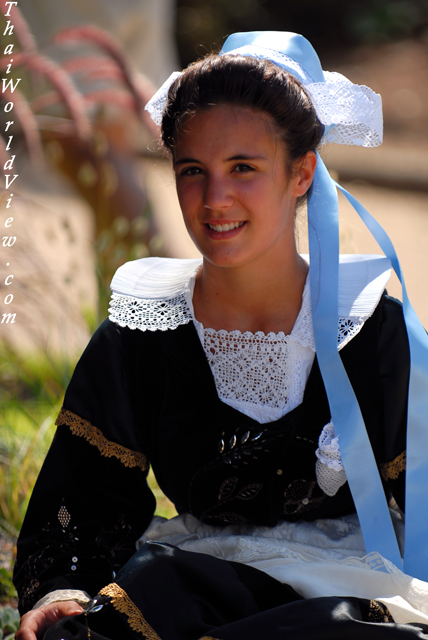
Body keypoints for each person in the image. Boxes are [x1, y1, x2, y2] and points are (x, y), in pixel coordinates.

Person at [15, 31, 428, 640]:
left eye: (243, 167)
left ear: (301, 174)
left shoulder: (371, 331)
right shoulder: (142, 335)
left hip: (347, 591)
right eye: (192, 171)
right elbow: (86, 499)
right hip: (194, 583)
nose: (214, 198)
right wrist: (61, 589)